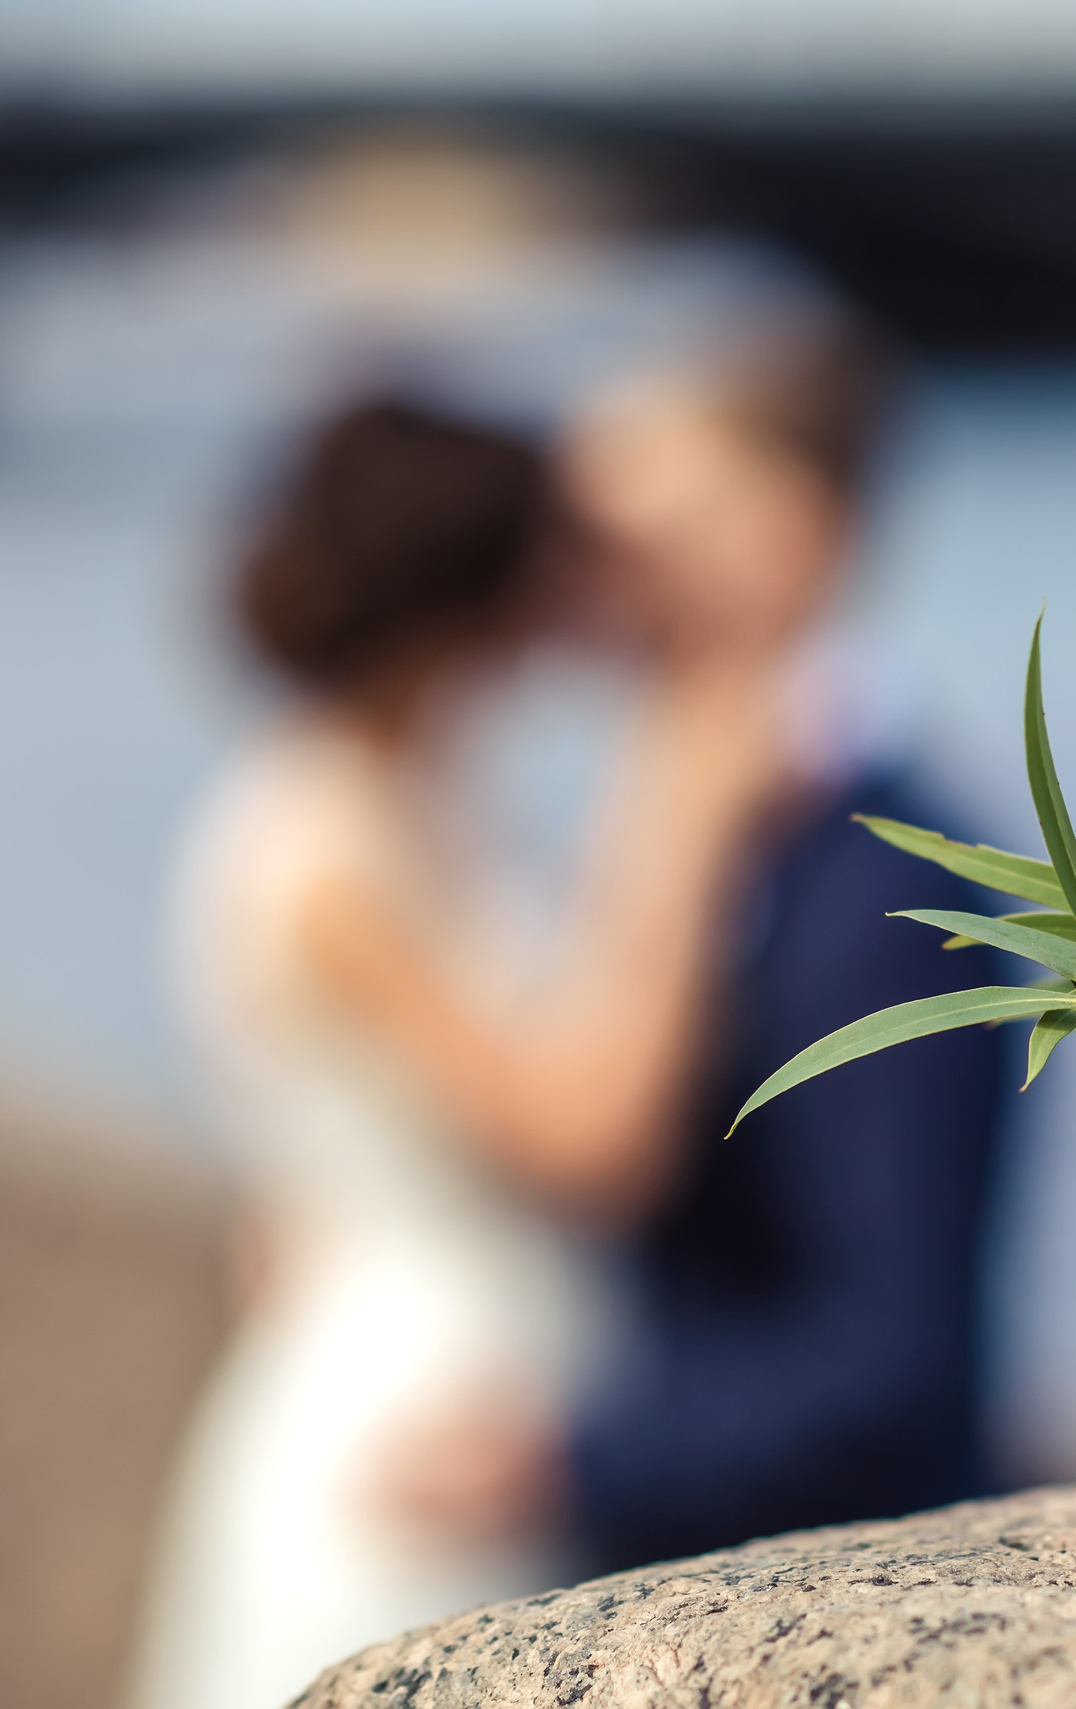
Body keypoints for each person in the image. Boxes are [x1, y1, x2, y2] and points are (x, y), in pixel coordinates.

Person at [127, 398, 797, 1709]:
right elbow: (591, 1143)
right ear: (483, 598)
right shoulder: (334, 850)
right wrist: (678, 827)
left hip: (417, 1369)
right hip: (414, 1431)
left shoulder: (371, 795)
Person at [549, 307, 1010, 1571]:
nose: (578, 568)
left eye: (634, 529)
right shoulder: (678, 814)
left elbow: (887, 1351)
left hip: (827, 1582)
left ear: (785, 538)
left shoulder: (892, 890)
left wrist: (561, 1458)